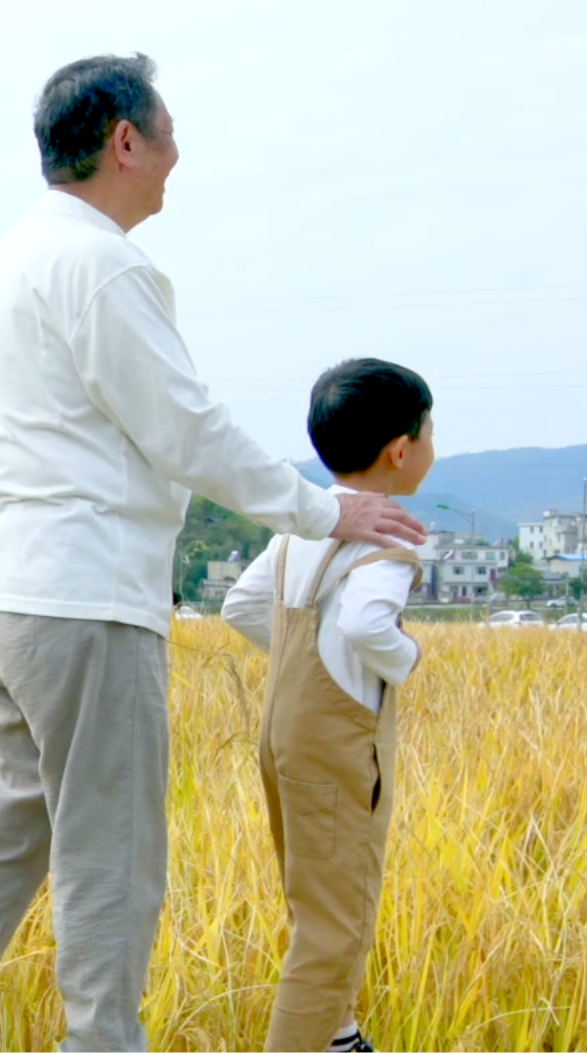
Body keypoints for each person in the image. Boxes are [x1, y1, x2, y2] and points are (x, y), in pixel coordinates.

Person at [0, 54, 427, 1053]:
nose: (176, 159)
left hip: (0, 593)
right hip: (84, 599)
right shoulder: (102, 265)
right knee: (111, 853)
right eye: (167, 137)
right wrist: (319, 510)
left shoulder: (5, 262)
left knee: (7, 827)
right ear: (125, 140)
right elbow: (185, 427)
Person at [219, 359, 435, 1053]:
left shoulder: (301, 529)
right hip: (338, 752)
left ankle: (340, 1037)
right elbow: (368, 624)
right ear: (402, 449)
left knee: (313, 901)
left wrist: (301, 661)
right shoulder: (392, 537)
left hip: (282, 739)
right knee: (335, 928)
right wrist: (406, 659)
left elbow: (242, 604)